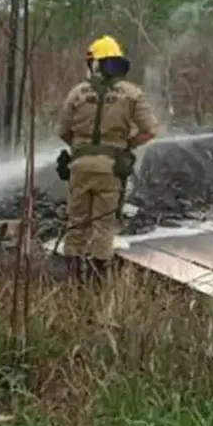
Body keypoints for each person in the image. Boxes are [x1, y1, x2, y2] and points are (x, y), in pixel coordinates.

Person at [56, 35, 160, 281]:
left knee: (77, 223)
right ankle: (96, 283)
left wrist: (81, 149)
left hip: (80, 168)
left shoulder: (77, 93)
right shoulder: (132, 94)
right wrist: (126, 146)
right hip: (111, 170)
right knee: (104, 225)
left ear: (94, 63)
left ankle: (72, 281)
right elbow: (150, 130)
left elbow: (62, 131)